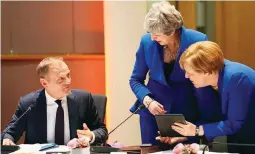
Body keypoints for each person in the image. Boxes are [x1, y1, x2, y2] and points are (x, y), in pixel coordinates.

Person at [129, 1, 221, 145]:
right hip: (153, 115)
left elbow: (204, 83)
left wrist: (205, 123)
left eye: (156, 34)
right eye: (150, 33)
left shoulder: (197, 40)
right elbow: (135, 80)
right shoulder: (147, 42)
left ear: (172, 31)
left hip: (186, 116)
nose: (152, 37)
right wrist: (148, 101)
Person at [158, 41, 255, 153]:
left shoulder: (237, 78)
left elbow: (234, 123)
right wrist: (185, 134)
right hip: (239, 141)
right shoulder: (207, 84)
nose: (186, 76)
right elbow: (213, 119)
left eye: (190, 72)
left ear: (206, 69)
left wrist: (196, 130)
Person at [2, 57, 108, 146]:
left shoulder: (84, 99)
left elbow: (102, 131)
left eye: (68, 75)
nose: (68, 81)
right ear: (44, 83)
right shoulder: (28, 104)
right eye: (61, 79)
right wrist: (7, 139)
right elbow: (9, 133)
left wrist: (91, 136)